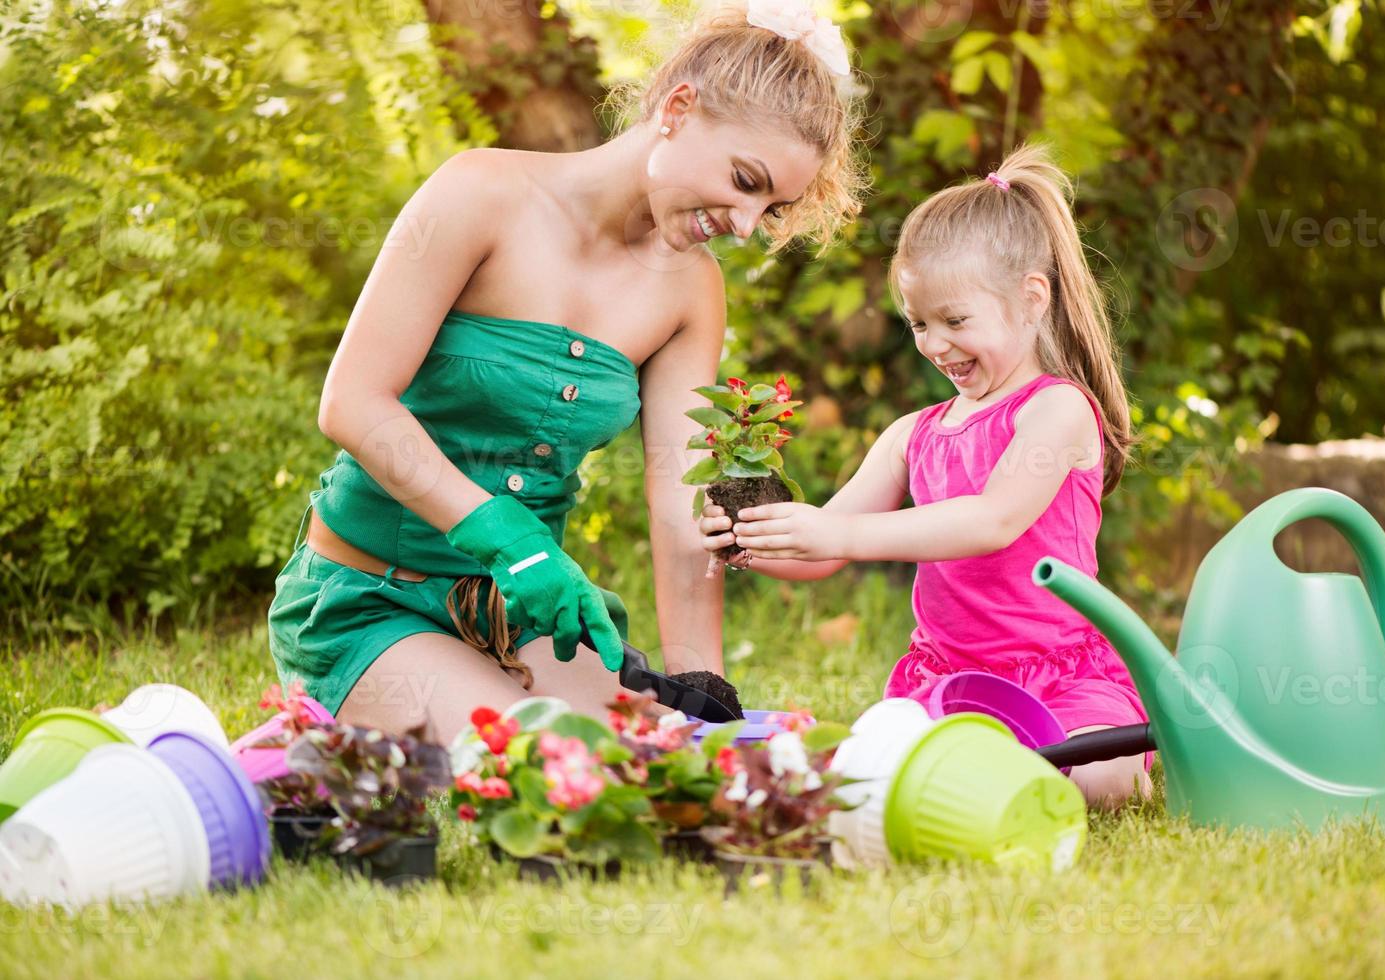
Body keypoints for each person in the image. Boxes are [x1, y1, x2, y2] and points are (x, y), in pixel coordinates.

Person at [267, 0, 866, 742]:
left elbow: (681, 496)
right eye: (746, 180)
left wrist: (697, 684)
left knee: (656, 752)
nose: (747, 224)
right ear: (679, 108)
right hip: (367, 599)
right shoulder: (481, 193)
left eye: (771, 208)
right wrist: (505, 538)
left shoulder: (690, 287)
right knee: (551, 760)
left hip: (519, 618)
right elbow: (353, 403)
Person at [698, 143, 1153, 808]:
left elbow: (992, 521)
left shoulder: (1057, 410)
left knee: (1107, 777)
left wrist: (838, 537)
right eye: (918, 323)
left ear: (1031, 300)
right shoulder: (912, 435)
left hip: (1062, 677)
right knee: (870, 775)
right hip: (946, 682)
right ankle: (987, 768)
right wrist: (752, 540)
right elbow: (822, 547)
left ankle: (1011, 768)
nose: (935, 344)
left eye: (955, 320)